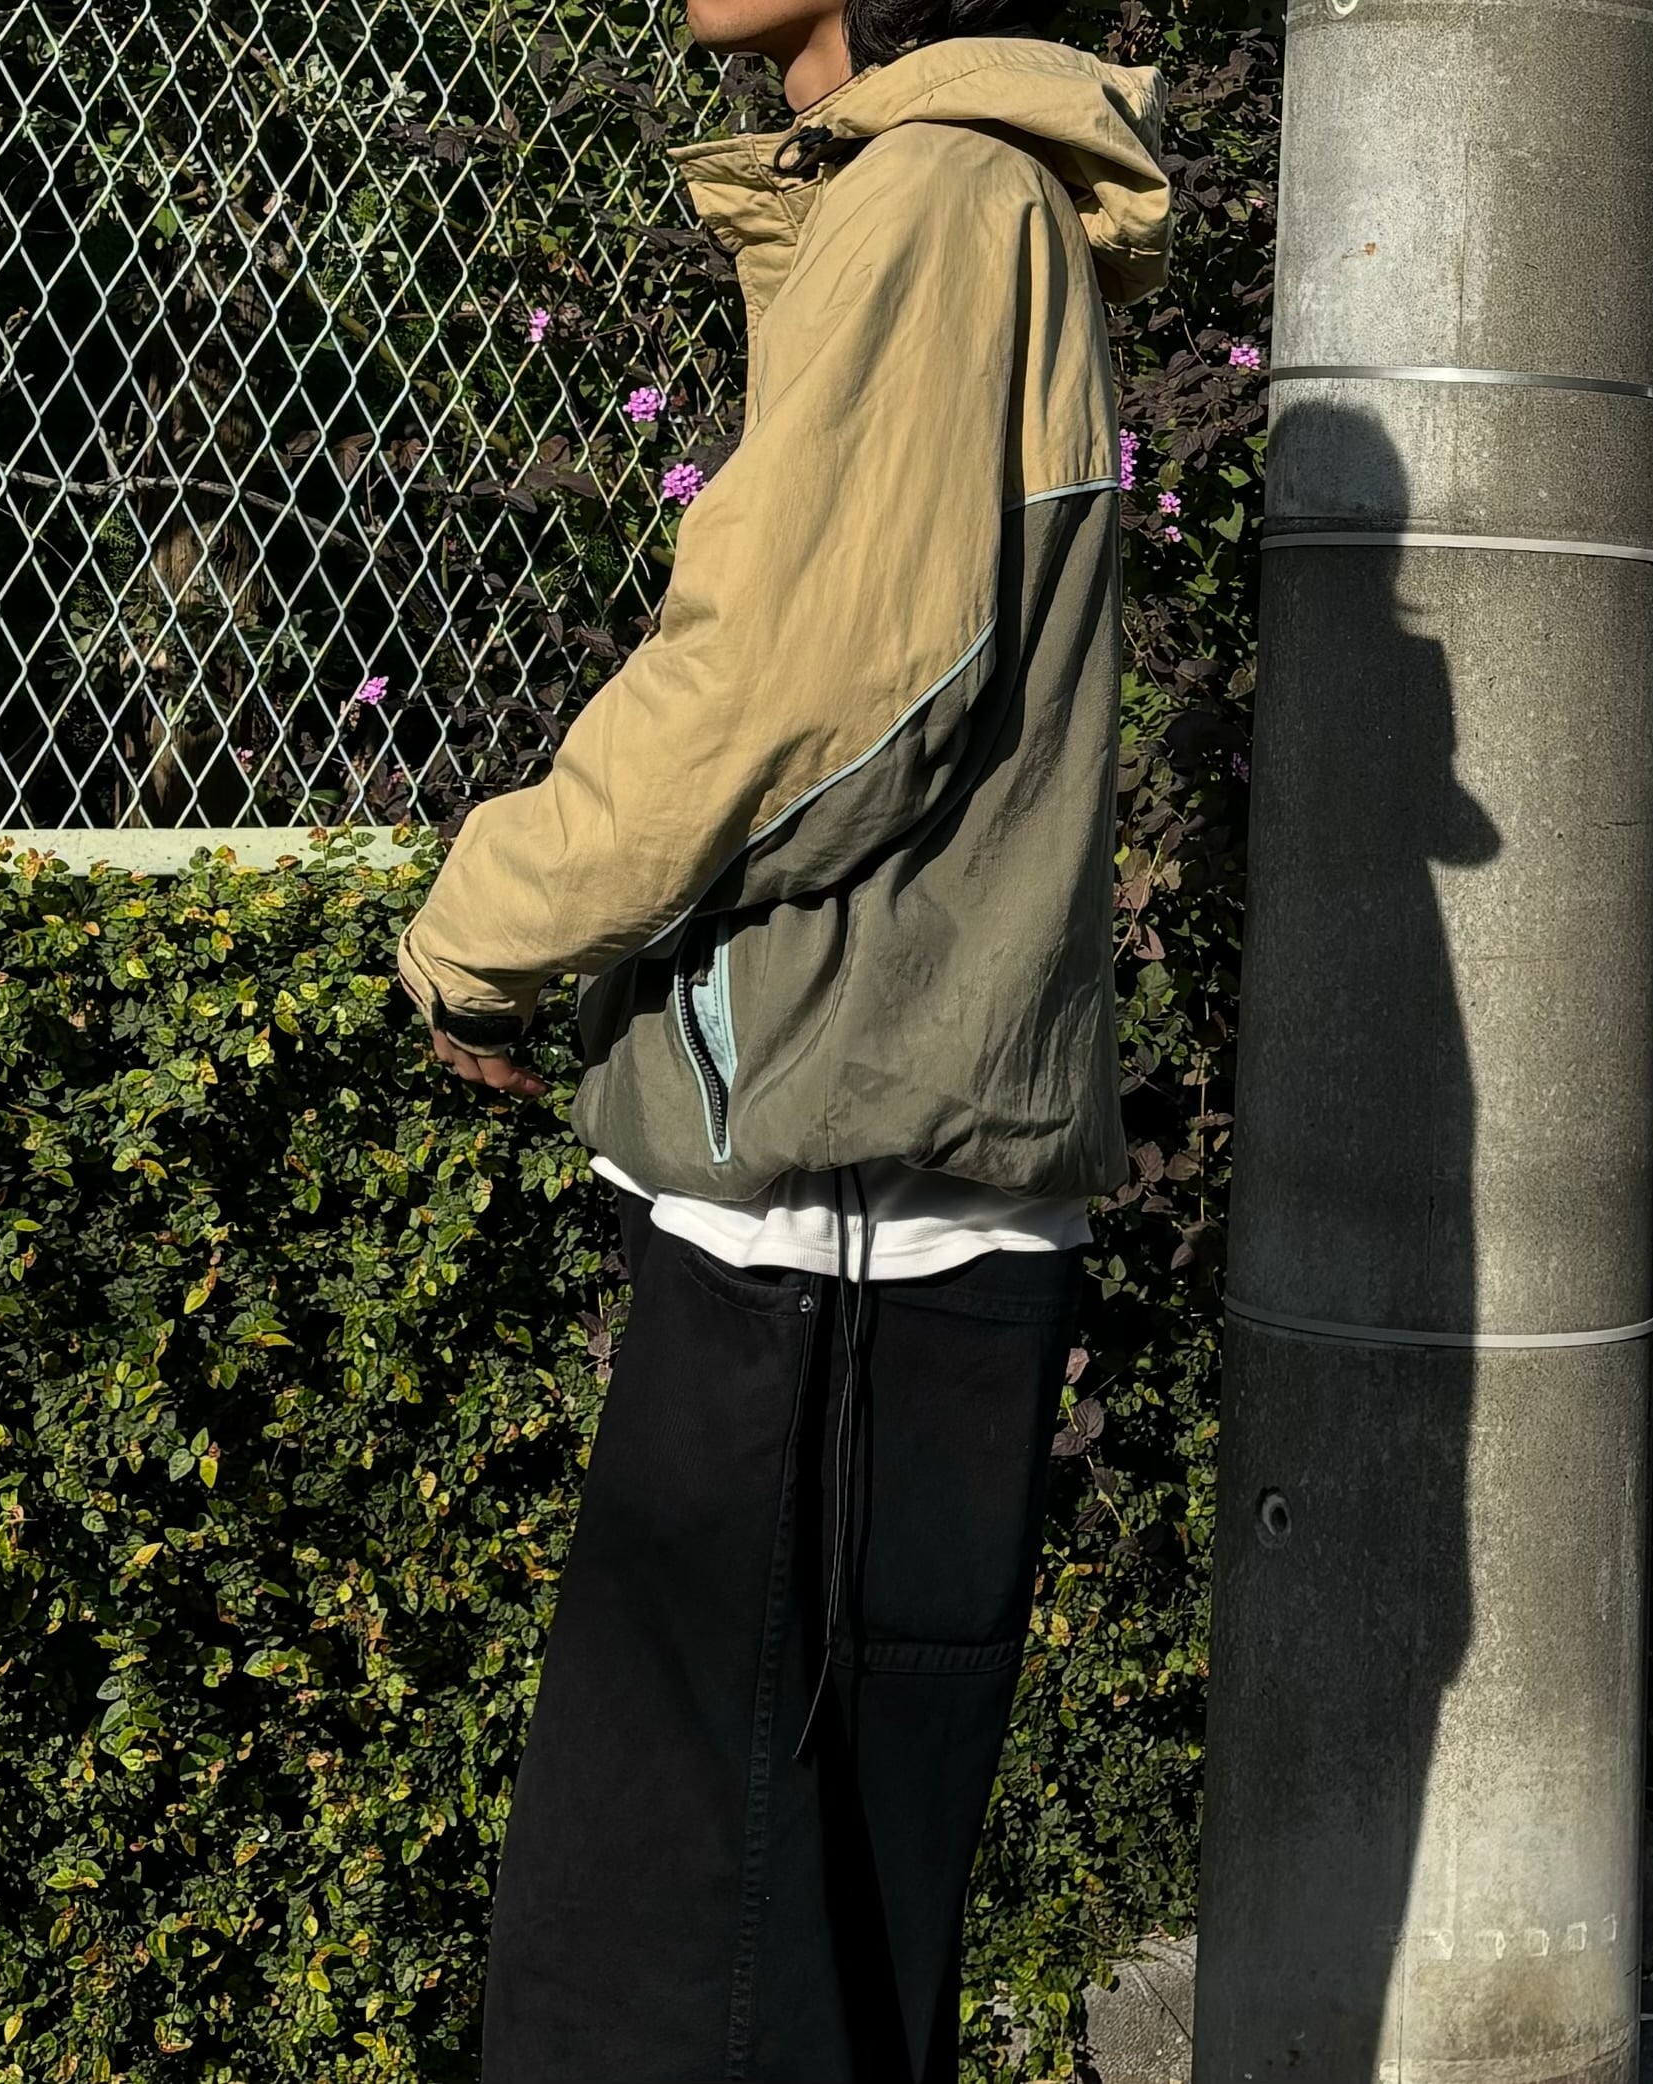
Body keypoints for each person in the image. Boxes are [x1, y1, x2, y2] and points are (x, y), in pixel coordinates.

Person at [393, 0, 1173, 2069]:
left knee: (675, 1981)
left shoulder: (934, 195)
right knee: (808, 1960)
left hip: (830, 1234)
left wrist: (485, 926)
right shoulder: (948, 194)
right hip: (872, 1215)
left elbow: (814, 692)